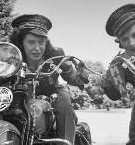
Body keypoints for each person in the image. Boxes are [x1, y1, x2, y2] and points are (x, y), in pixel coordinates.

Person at [9, 14, 88, 145]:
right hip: (20, 93)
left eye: (41, 42)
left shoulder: (56, 54)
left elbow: (71, 75)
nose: (37, 48)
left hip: (53, 92)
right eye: (31, 42)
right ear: (21, 43)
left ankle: (66, 142)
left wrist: (80, 76)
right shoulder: (12, 56)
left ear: (46, 42)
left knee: (65, 104)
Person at [92, 3, 135, 145]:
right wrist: (106, 84)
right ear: (120, 42)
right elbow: (118, 94)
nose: (131, 43)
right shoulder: (117, 64)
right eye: (124, 39)